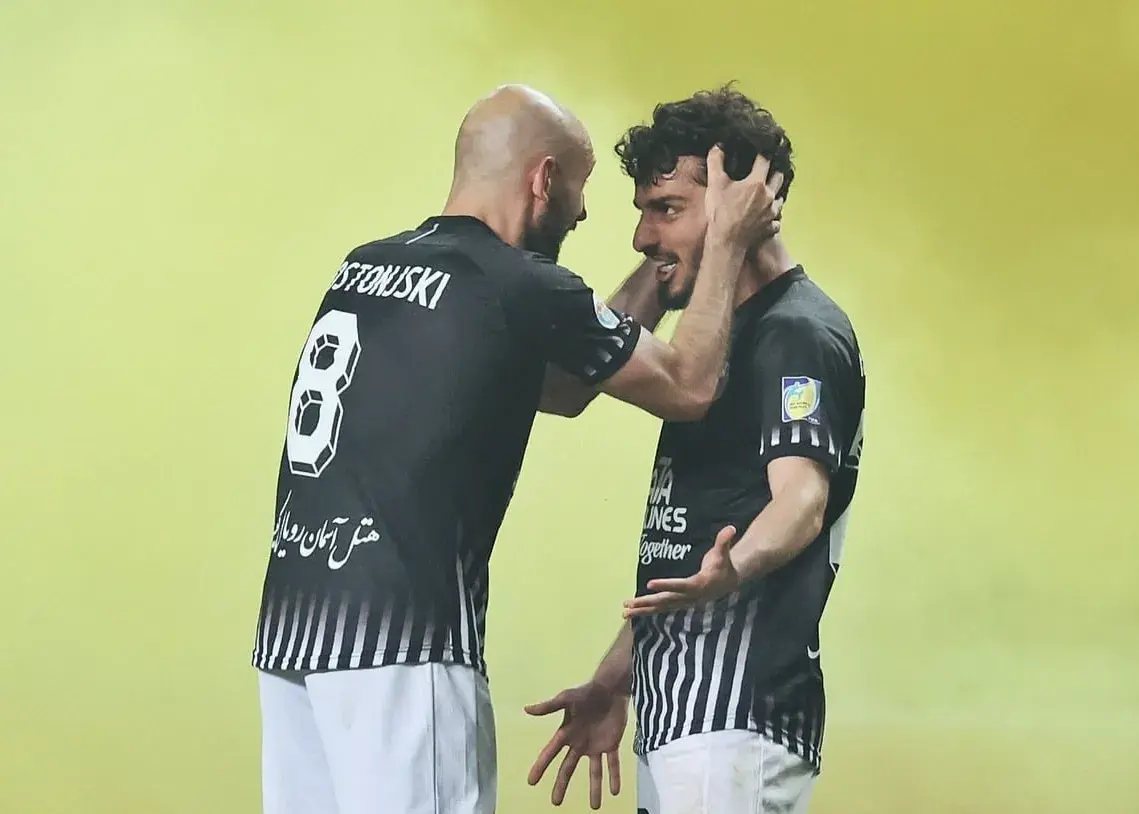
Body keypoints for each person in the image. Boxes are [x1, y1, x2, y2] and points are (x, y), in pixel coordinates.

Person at [250, 83, 785, 814]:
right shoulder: (518, 283)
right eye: (580, 187)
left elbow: (562, 388)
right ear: (543, 179)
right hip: (402, 644)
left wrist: (662, 276)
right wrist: (719, 242)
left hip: (292, 639)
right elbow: (689, 386)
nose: (584, 212)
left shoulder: (365, 268)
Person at [526, 85, 866, 814]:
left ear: (746, 201)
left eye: (667, 208)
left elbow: (802, 499)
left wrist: (736, 566)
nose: (642, 237)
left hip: (733, 722)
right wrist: (615, 678)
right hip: (686, 721)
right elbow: (693, 553)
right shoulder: (717, 344)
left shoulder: (796, 332)